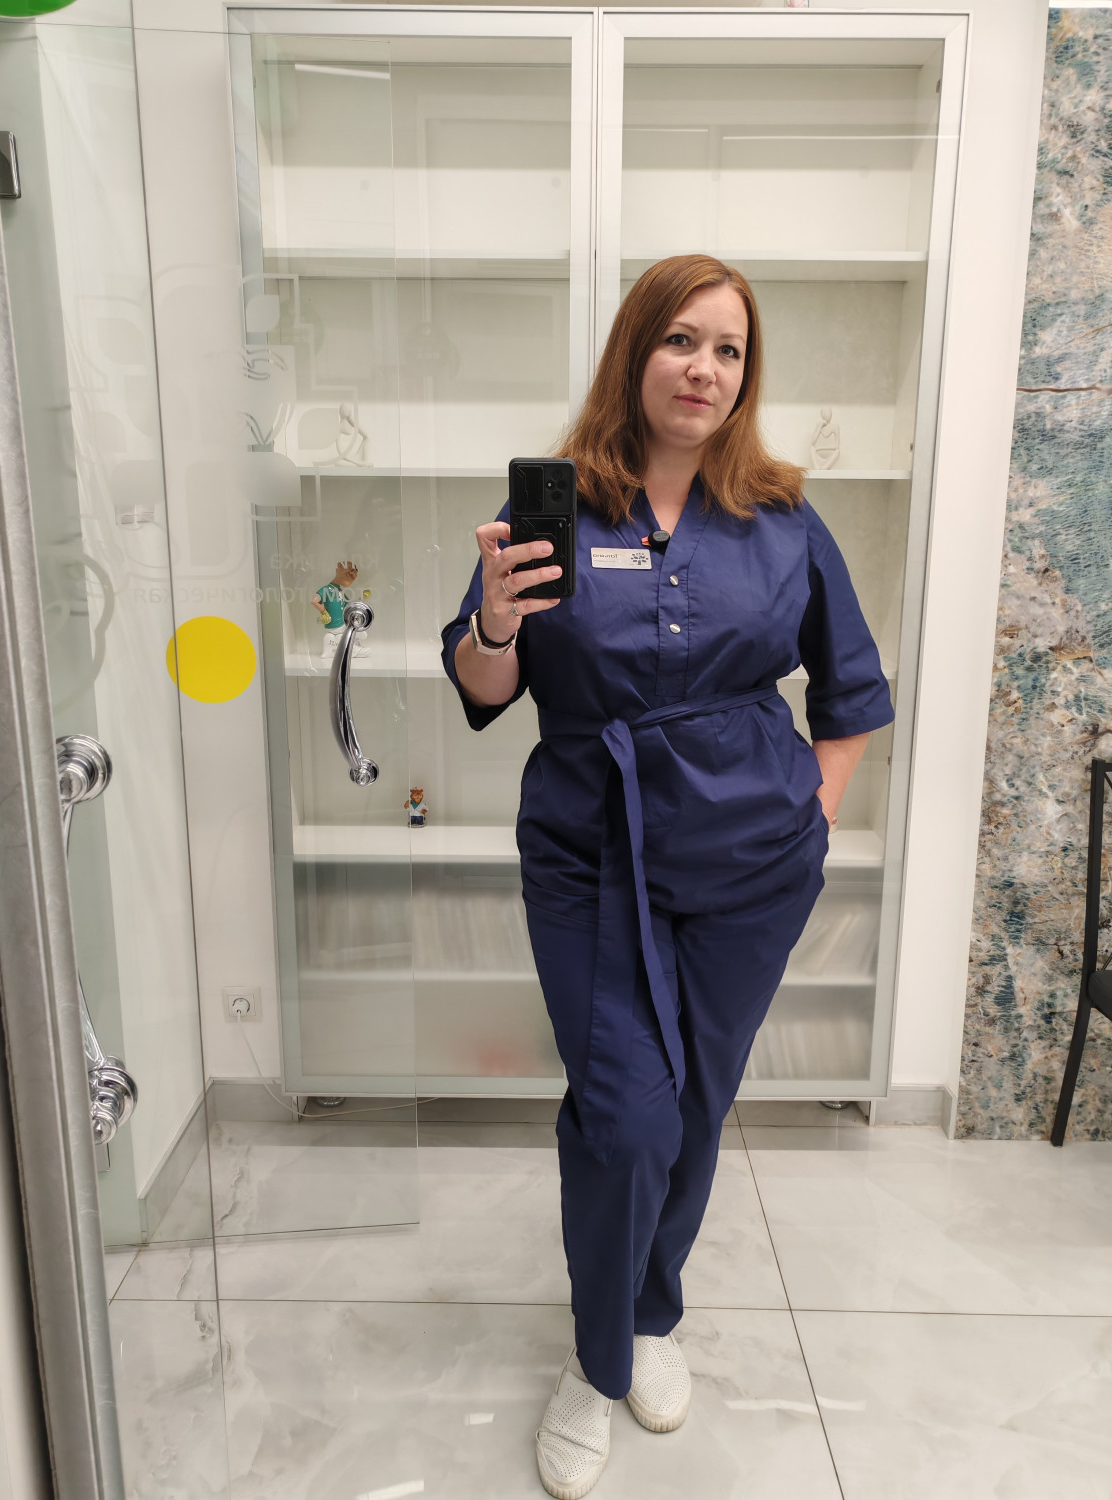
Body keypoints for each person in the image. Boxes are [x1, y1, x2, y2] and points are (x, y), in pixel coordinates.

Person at [440, 254, 893, 1499]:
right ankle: (595, 1364)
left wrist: (814, 819)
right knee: (627, 1113)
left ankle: (650, 1315)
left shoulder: (783, 519)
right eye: (682, 340)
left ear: (747, 375)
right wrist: (493, 622)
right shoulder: (554, 508)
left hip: (752, 865)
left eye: (729, 350)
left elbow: (850, 691)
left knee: (695, 1107)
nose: (704, 369)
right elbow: (486, 686)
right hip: (594, 853)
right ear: (636, 352)